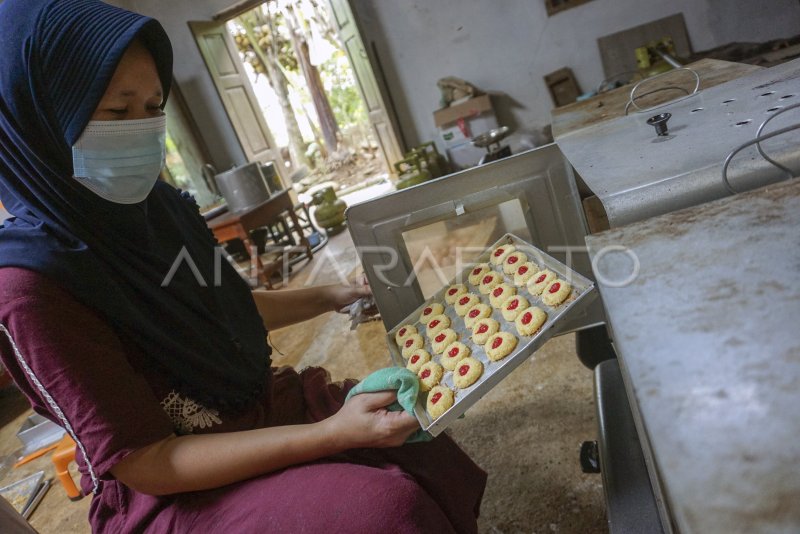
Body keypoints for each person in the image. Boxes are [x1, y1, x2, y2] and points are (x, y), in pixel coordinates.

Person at [0, 1, 486, 532]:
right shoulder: (34, 290)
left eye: (152, 106)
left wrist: (336, 293)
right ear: (38, 118)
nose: (141, 132)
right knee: (382, 510)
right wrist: (334, 434)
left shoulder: (156, 214)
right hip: (182, 482)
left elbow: (228, 305)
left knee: (419, 435)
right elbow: (147, 462)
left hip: (254, 406)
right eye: (117, 113)